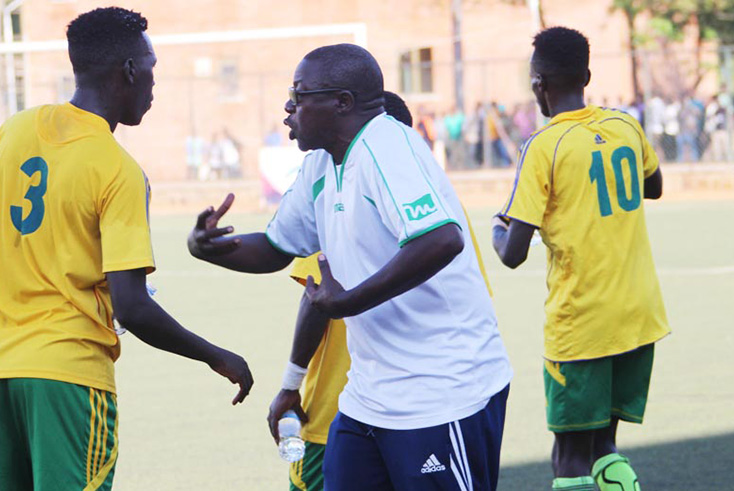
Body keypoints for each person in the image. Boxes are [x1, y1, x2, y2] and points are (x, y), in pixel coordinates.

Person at [188, 43, 512, 491]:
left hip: (441, 391)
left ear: (342, 102)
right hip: (368, 394)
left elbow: (441, 239)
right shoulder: (320, 163)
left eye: (300, 95)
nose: (288, 107)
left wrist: (348, 301)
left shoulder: (388, 145)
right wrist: (211, 247)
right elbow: (277, 247)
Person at [0, 8, 253, 490]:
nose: (154, 86)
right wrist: (217, 356)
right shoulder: (118, 169)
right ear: (130, 71)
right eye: (152, 69)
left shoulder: (15, 131)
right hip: (66, 376)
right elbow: (133, 308)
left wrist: (42, 268)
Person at [491, 27, 669, 491]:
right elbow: (654, 186)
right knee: (604, 446)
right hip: (638, 315)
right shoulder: (625, 124)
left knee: (569, 458)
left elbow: (512, 254)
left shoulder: (543, 146)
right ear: (587, 75)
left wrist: (498, 227)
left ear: (538, 85)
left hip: (583, 323)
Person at [267, 91, 425, 491]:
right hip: (418, 406)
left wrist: (289, 384)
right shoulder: (436, 211)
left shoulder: (341, 198)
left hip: (336, 411)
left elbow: (315, 299)